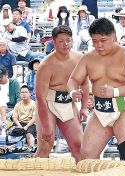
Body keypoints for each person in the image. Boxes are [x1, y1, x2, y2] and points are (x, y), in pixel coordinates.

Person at [67, 17, 125, 161]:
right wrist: (73, 91)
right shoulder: (88, 58)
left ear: (113, 36)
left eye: (103, 41)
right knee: (86, 156)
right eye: (95, 41)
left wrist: (115, 92)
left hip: (123, 106)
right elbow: (73, 79)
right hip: (101, 110)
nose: (98, 45)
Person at [34, 25, 87, 163]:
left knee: (79, 145)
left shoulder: (79, 58)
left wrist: (84, 107)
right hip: (48, 104)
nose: (66, 44)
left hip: (68, 104)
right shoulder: (46, 65)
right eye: (61, 41)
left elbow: (85, 83)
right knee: (46, 144)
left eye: (68, 40)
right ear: (54, 42)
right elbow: (40, 98)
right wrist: (46, 126)